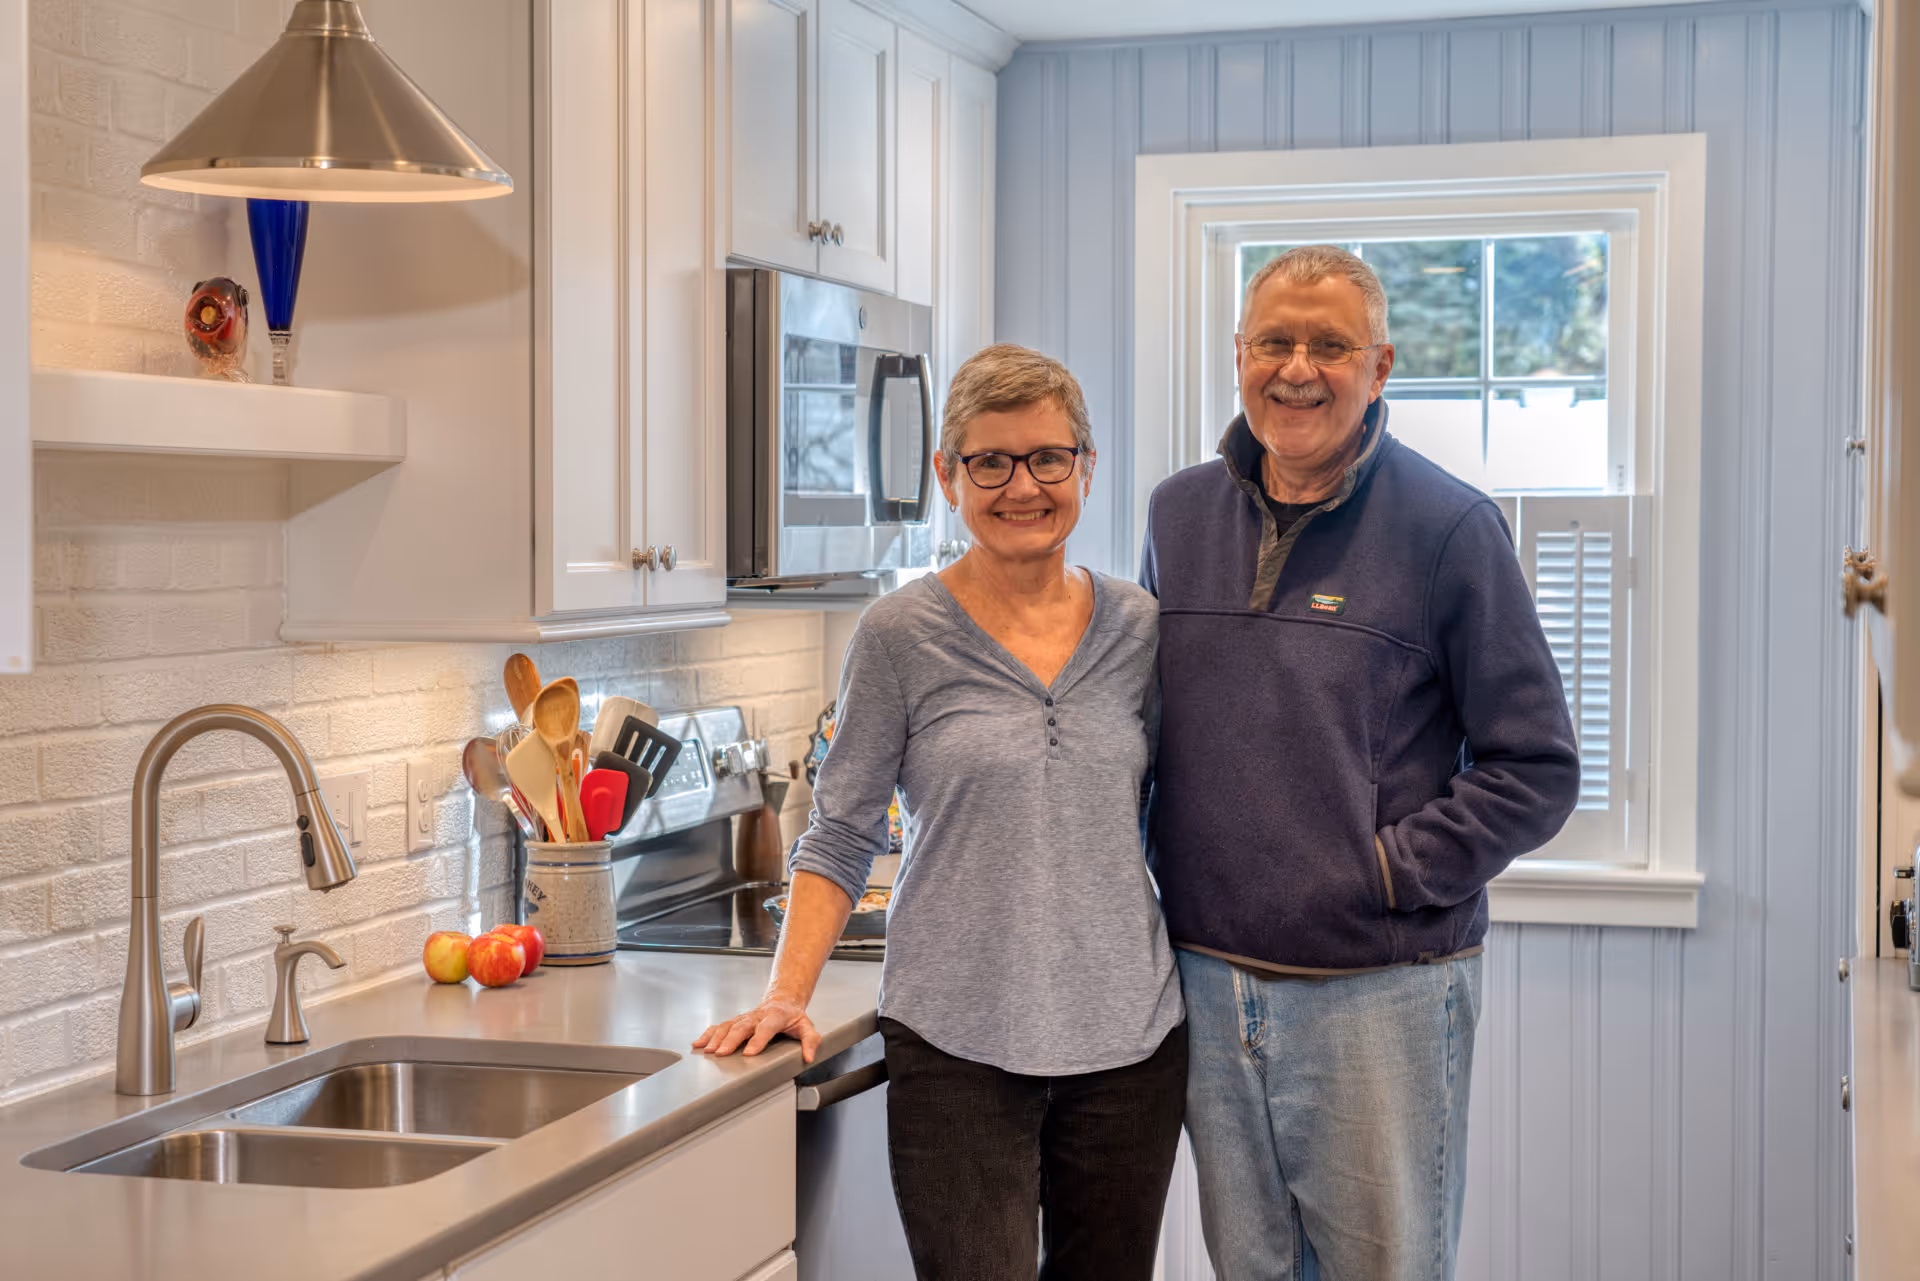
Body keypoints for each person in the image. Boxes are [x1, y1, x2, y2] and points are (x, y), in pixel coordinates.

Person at [696, 344, 1186, 1281]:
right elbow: (840, 829)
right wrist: (785, 994)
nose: (1021, 486)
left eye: (1048, 458)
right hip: (957, 1045)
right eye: (988, 461)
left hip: (1130, 1044)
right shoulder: (897, 634)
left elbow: (1181, 812)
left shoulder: (1141, 628)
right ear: (946, 476)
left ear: (1086, 466)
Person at [1140, 244, 1580, 1281]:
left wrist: (1383, 873)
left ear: (1380, 367)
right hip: (1205, 979)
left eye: (1330, 345)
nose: (1298, 367)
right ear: (1238, 355)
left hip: (1378, 996)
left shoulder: (1452, 528)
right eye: (1275, 342)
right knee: (1249, 1269)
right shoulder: (1177, 514)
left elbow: (1538, 767)